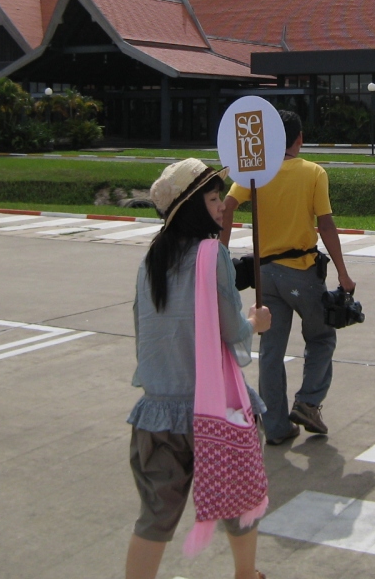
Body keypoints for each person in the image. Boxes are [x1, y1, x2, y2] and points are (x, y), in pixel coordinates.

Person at [126, 159, 272, 579]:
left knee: (155, 517)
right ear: (192, 207)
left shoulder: (151, 259)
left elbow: (143, 327)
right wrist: (256, 323)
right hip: (214, 410)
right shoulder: (213, 254)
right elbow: (232, 330)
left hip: (157, 412)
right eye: (212, 198)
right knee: (239, 501)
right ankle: (246, 575)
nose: (222, 205)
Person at [221, 110, 356, 446]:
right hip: (302, 272)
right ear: (299, 139)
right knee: (321, 338)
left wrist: (221, 255)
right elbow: (325, 224)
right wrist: (343, 273)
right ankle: (308, 403)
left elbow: (227, 206)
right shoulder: (313, 172)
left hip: (265, 275)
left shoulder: (255, 173)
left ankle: (276, 426)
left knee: (271, 349)